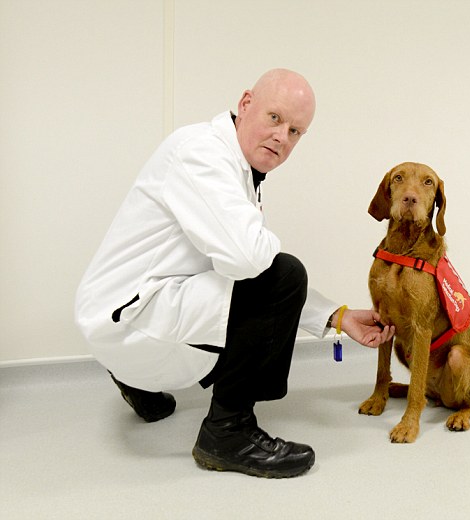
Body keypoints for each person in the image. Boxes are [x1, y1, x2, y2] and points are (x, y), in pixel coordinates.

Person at [75, 68, 394, 479]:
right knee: (283, 274)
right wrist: (262, 246)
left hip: (125, 317)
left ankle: (137, 380)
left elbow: (239, 267)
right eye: (275, 118)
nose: (283, 136)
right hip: (129, 321)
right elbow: (251, 264)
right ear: (245, 104)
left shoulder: (237, 167)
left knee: (266, 271)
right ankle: (227, 432)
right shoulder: (202, 154)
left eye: (296, 131)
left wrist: (338, 316)